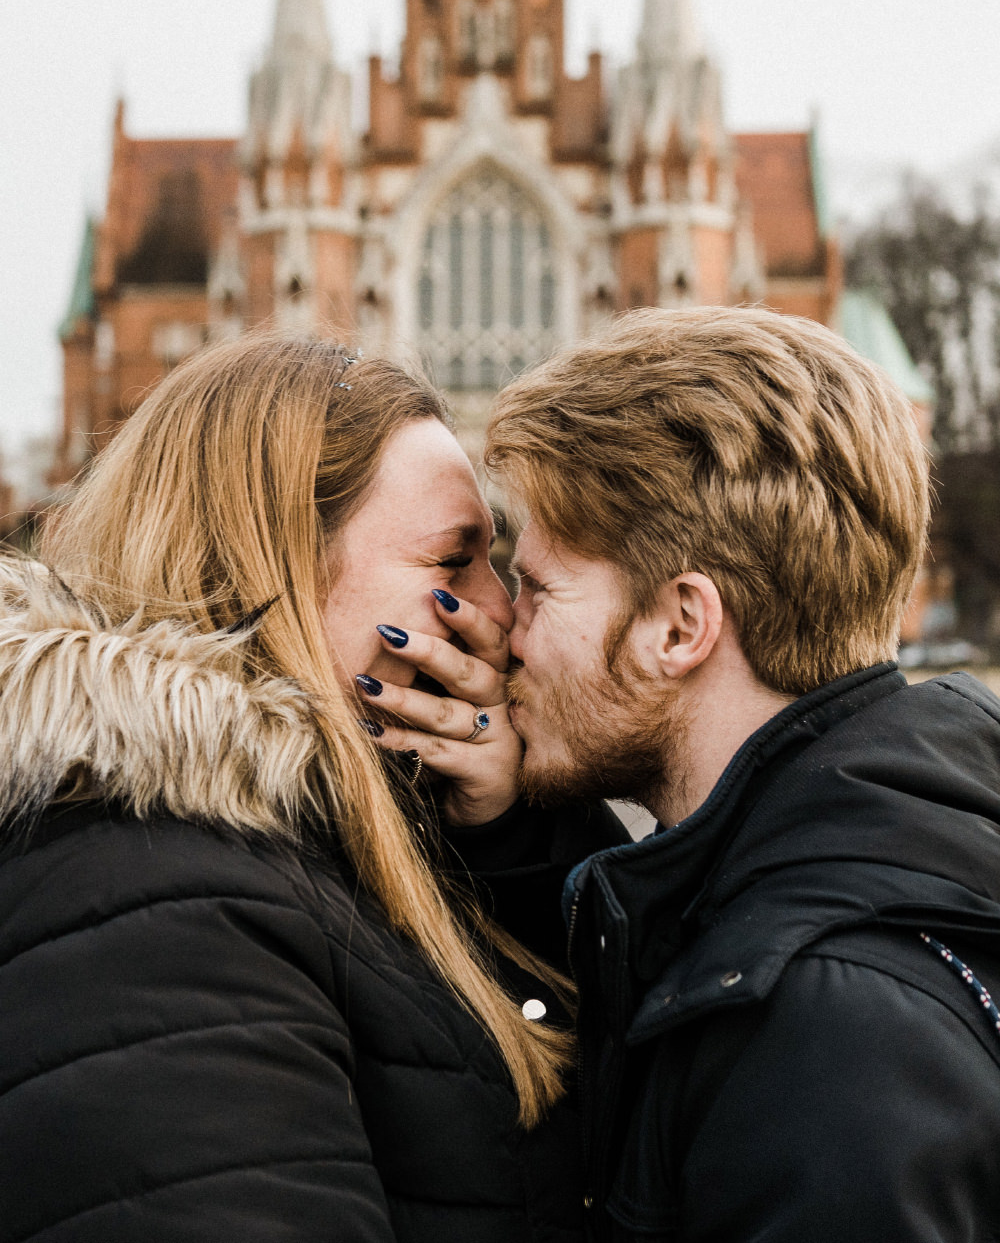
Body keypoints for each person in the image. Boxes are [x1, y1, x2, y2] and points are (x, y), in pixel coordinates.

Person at [0, 334, 624, 1243]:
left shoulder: (352, 823)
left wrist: (518, 837)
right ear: (274, 567)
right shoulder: (153, 900)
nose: (500, 612)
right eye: (454, 563)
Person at [476, 305, 1000, 1241]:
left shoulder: (830, 1042)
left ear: (681, 626)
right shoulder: (898, 847)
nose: (501, 631)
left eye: (537, 587)